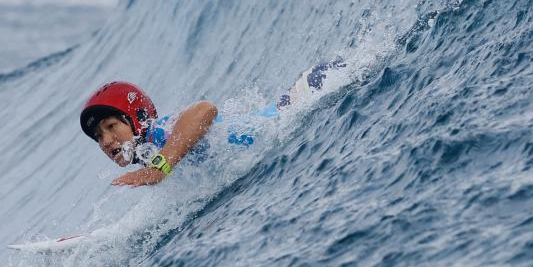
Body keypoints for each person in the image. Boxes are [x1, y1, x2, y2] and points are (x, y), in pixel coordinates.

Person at [79, 59, 347, 187]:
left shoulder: (159, 133)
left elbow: (204, 110)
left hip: (297, 103)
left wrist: (161, 167)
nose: (105, 141)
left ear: (137, 119)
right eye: (98, 136)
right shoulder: (150, 151)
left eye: (111, 126)